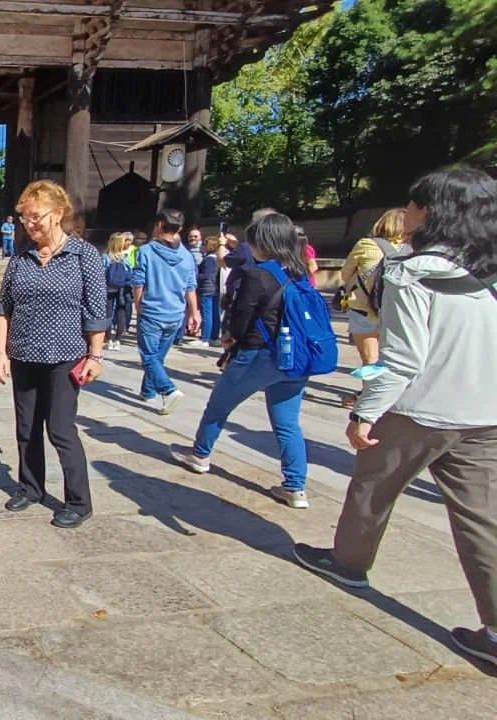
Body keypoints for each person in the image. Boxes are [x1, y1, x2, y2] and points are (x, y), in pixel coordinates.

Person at [292, 166, 497, 665]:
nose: (407, 211)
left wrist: (364, 412)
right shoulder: (487, 271)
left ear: (433, 212)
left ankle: (348, 562)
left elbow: (403, 360)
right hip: (484, 411)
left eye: (414, 203)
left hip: (420, 409)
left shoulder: (412, 271)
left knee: (372, 488)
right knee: (482, 520)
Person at [171, 213, 313, 508]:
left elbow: (240, 317)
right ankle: (295, 486)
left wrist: (230, 337)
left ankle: (200, 454)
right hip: (296, 358)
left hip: (259, 354)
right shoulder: (299, 272)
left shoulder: (259, 274)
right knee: (288, 423)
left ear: (264, 243)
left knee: (218, 406)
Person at [0, 180, 110, 529]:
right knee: (26, 428)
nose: (29, 224)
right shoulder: (21, 257)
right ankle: (31, 487)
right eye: (24, 218)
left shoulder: (83, 255)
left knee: (60, 429)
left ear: (57, 214)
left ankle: (79, 501)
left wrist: (96, 356)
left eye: (36, 217)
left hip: (65, 356)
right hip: (24, 354)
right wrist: (1, 353)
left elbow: (96, 311)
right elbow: (3, 307)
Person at [132, 208, 200, 414]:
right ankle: (148, 391)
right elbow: (190, 286)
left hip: (152, 311)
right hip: (176, 313)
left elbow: (138, 282)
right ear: (179, 228)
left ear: (159, 226)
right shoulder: (187, 256)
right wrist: (194, 312)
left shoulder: (146, 251)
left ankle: (168, 390)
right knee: (158, 356)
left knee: (149, 356)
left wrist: (138, 306)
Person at [339, 209, 409, 396]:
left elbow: (344, 274)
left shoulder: (366, 245)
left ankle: (370, 398)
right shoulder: (413, 249)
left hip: (364, 310)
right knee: (397, 361)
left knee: (370, 360)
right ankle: (394, 397)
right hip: (398, 313)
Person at [103, 232, 134, 351]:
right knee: (121, 312)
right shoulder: (125, 258)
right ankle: (118, 340)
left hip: (109, 288)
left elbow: (102, 273)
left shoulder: (107, 257)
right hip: (122, 288)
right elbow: (130, 273)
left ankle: (109, 339)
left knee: (108, 312)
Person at [196, 233, 222, 346]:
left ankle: (205, 338)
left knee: (207, 314)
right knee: (215, 314)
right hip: (215, 288)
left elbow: (206, 275)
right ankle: (214, 337)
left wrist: (196, 275)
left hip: (207, 288)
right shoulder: (218, 258)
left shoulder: (208, 259)